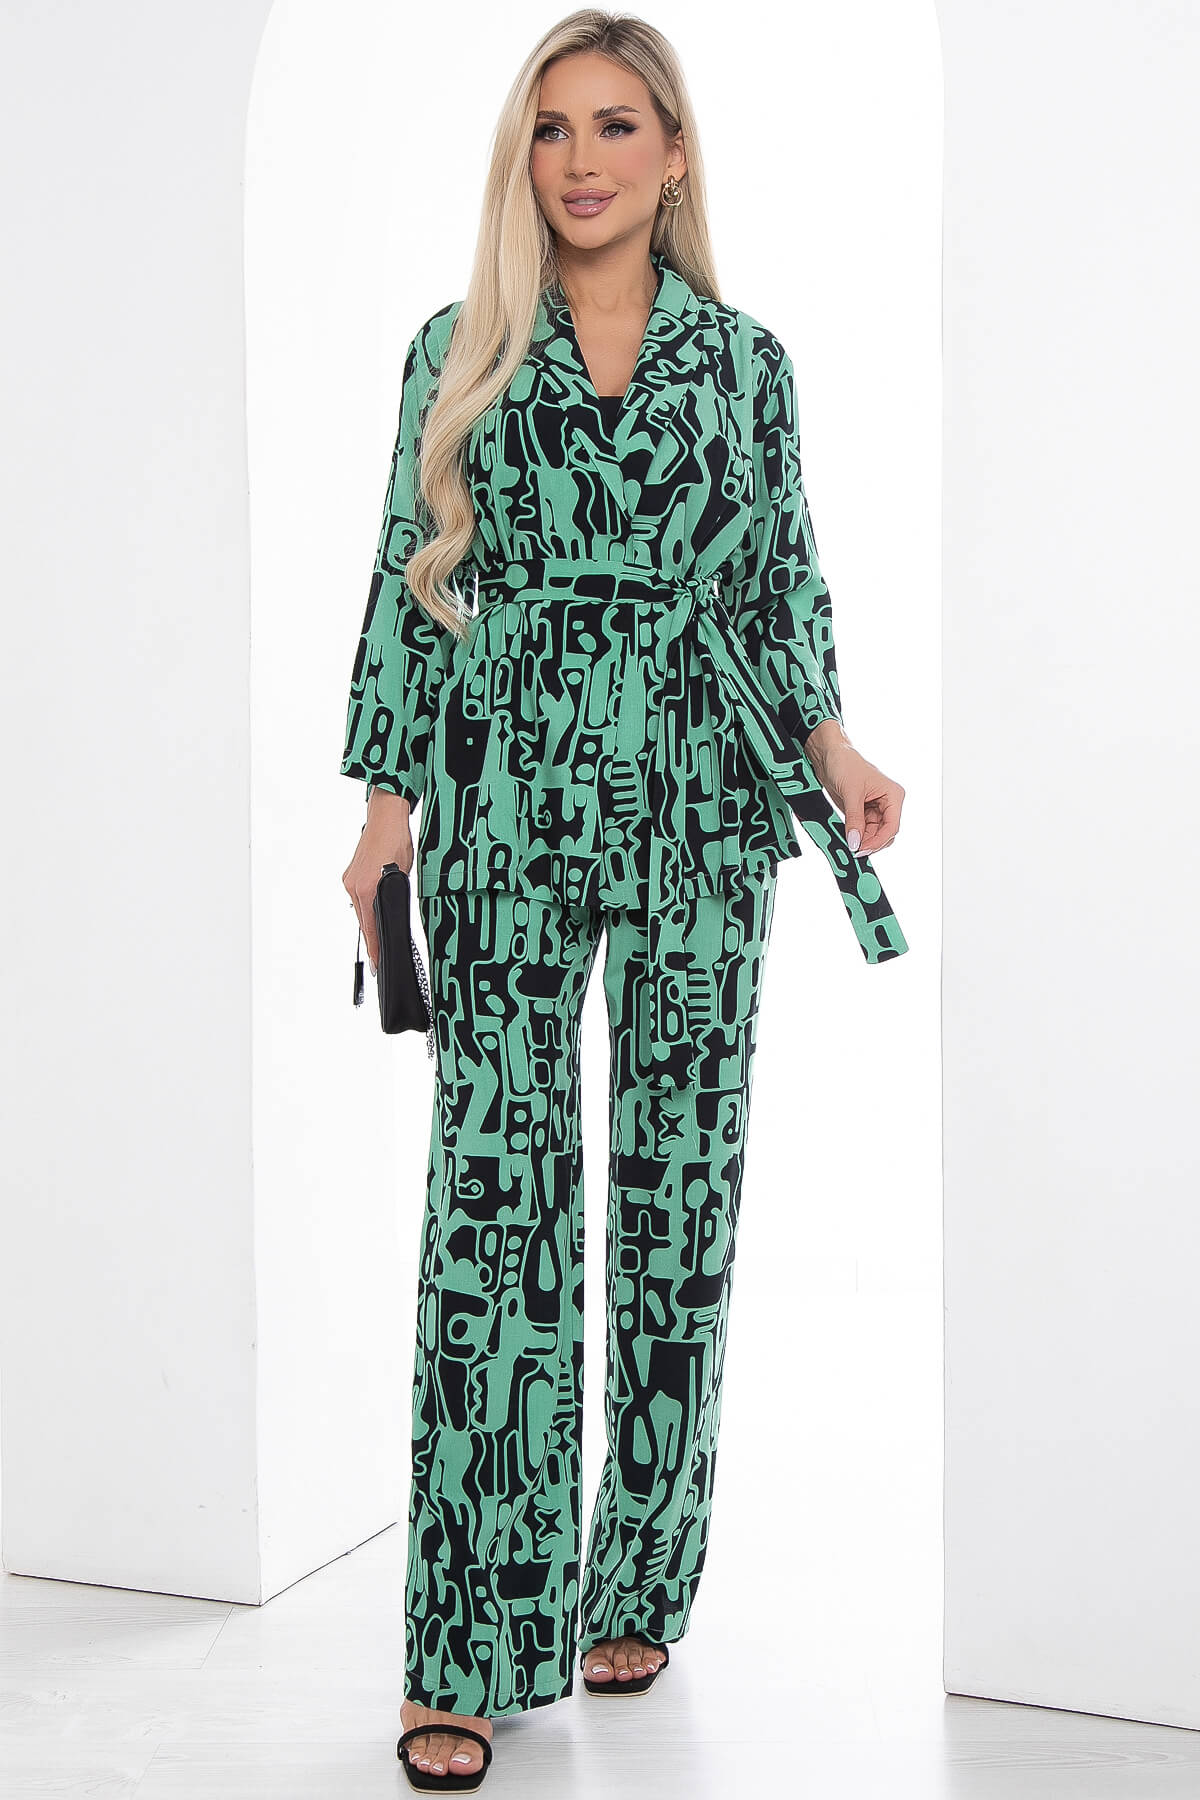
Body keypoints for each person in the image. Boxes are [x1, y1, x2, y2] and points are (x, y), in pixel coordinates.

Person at [340, 11, 908, 1790]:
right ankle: (468, 1638)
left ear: (673, 156)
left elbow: (784, 575)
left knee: (677, 1187)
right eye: (550, 129)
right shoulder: (457, 349)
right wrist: (385, 816)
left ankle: (638, 1573)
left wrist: (832, 745)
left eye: (613, 126)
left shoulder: (746, 363)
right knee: (492, 1205)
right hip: (505, 787)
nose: (579, 160)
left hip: (701, 794)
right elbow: (404, 582)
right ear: (523, 160)